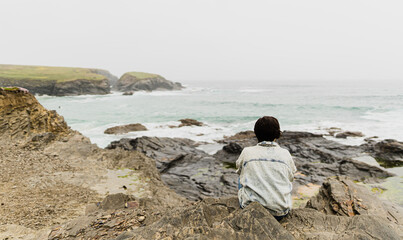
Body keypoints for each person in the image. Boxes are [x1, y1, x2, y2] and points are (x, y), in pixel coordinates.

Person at [236, 116, 296, 221]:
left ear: (256, 133)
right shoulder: (285, 154)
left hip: (252, 210)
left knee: (241, 176)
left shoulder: (247, 152)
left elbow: (239, 170)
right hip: (280, 212)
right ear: (277, 134)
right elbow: (291, 177)